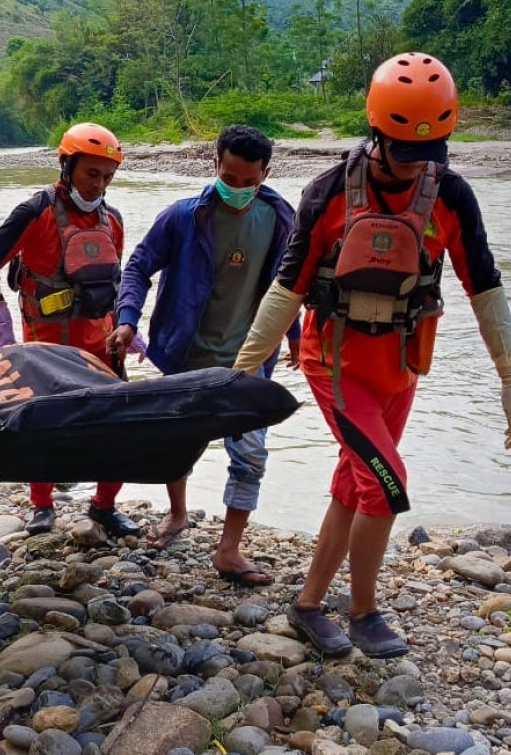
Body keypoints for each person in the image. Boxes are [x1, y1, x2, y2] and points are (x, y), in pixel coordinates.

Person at [233, 52, 511, 658]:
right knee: (387, 483)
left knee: (355, 481)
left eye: (430, 152)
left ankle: (308, 605)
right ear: (376, 132)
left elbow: (485, 286)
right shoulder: (327, 192)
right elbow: (288, 286)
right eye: (403, 150)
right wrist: (241, 375)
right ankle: (365, 611)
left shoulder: (451, 194)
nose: (417, 163)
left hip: (402, 366)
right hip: (335, 364)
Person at [106, 125, 300, 586]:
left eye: (246, 181)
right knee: (178, 444)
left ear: (265, 174)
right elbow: (138, 265)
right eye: (227, 177)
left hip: (249, 360)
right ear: (215, 166)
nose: (235, 188)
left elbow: (289, 283)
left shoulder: (281, 218)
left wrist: (295, 335)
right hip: (186, 354)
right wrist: (127, 318)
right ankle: (177, 515)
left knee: (250, 454)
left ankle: (229, 549)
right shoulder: (183, 217)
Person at [0, 122, 142, 538]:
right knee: (43, 430)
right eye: (91, 173)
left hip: (101, 347)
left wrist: (128, 327)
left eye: (107, 176)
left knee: (118, 428)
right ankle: (42, 506)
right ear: (66, 165)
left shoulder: (113, 220)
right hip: (45, 349)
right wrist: (1, 328)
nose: (99, 184)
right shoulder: (35, 212)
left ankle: (104, 506)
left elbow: (115, 280)